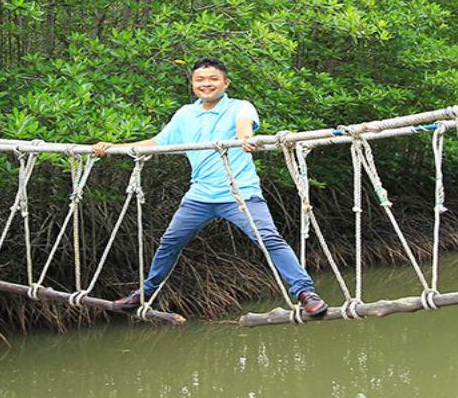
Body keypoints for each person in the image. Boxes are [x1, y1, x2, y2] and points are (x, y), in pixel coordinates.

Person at [92, 57, 328, 318]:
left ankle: (305, 293)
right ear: (193, 85)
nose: (207, 84)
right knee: (169, 242)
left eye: (213, 79)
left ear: (226, 83)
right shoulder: (185, 114)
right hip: (200, 196)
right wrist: (112, 148)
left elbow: (244, 124)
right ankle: (146, 293)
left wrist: (245, 139)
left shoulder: (240, 106)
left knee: (269, 239)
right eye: (200, 80)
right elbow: (157, 142)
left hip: (239, 193)